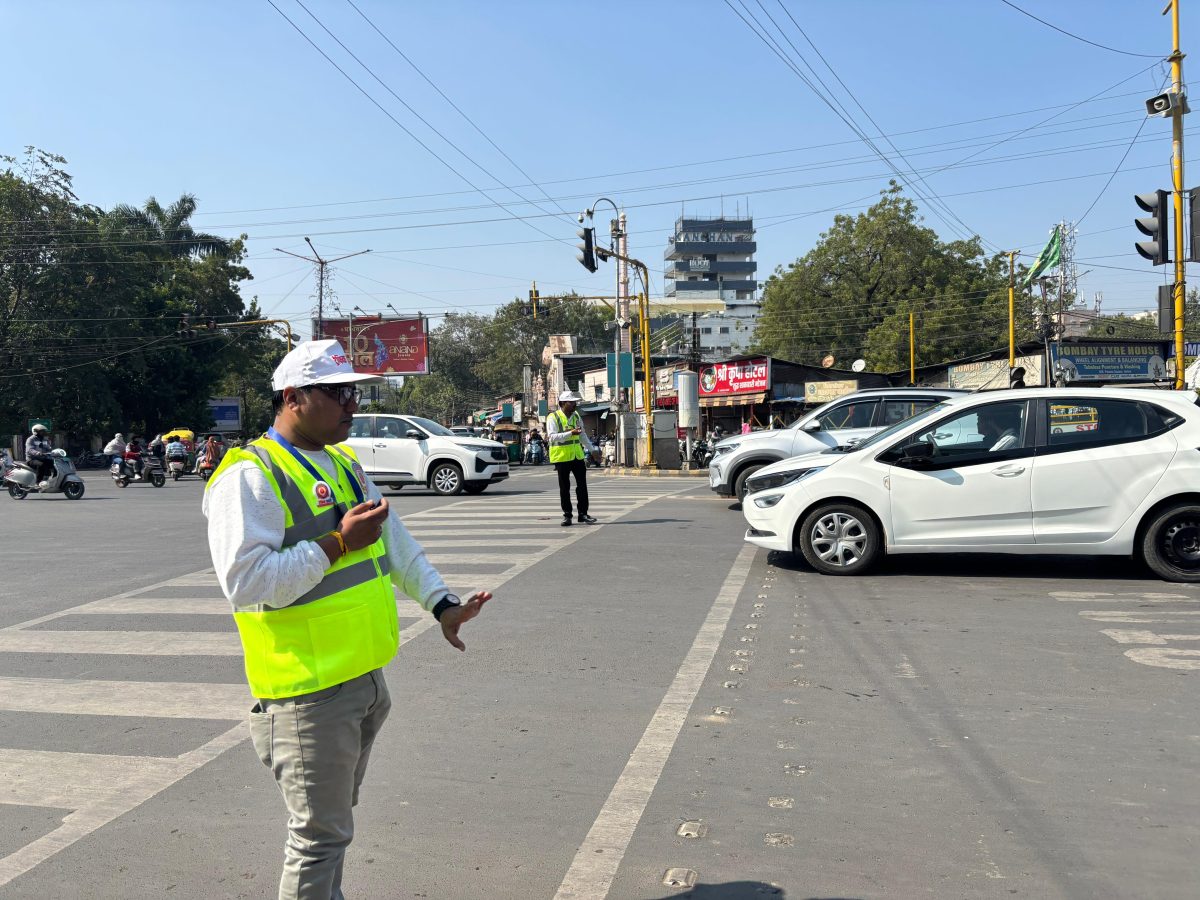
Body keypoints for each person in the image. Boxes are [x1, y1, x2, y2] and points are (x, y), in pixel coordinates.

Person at [203, 339, 491, 899]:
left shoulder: (341, 463)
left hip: (362, 681)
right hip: (307, 693)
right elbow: (248, 584)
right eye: (338, 394)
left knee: (331, 831)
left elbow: (394, 542)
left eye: (354, 393)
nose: (352, 405)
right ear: (293, 397)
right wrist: (337, 542)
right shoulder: (251, 475)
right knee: (317, 838)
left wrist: (442, 604)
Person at [546, 390, 599, 526]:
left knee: (582, 486)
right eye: (571, 402)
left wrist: (592, 450)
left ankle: (583, 514)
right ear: (562, 404)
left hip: (577, 456)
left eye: (575, 402)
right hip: (561, 457)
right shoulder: (553, 417)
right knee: (565, 488)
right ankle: (567, 515)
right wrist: (571, 433)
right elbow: (552, 437)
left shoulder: (576, 416)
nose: (574, 404)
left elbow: (582, 435)